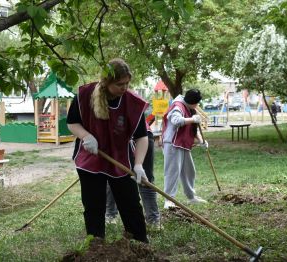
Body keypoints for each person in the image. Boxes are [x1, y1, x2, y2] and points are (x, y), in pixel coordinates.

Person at [66, 58, 149, 242]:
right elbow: (72, 123)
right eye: (120, 84)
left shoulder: (133, 103)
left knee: (131, 205)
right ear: (106, 82)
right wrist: (86, 136)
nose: (124, 88)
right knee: (93, 206)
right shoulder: (84, 95)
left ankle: (140, 245)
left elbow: (142, 137)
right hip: (90, 159)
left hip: (121, 161)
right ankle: (95, 247)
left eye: (127, 83)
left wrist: (139, 165)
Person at [105, 118, 161, 228]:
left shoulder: (128, 104)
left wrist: (138, 164)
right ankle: (110, 216)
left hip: (142, 136)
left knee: (145, 178)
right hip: (116, 139)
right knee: (113, 175)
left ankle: (153, 220)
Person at [161, 89, 208, 209]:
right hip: (172, 143)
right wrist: (193, 119)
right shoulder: (178, 106)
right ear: (192, 101)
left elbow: (193, 128)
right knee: (172, 172)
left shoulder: (190, 108)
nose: (197, 105)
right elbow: (176, 121)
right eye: (196, 103)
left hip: (183, 143)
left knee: (189, 171)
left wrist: (202, 141)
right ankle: (169, 200)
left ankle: (191, 197)